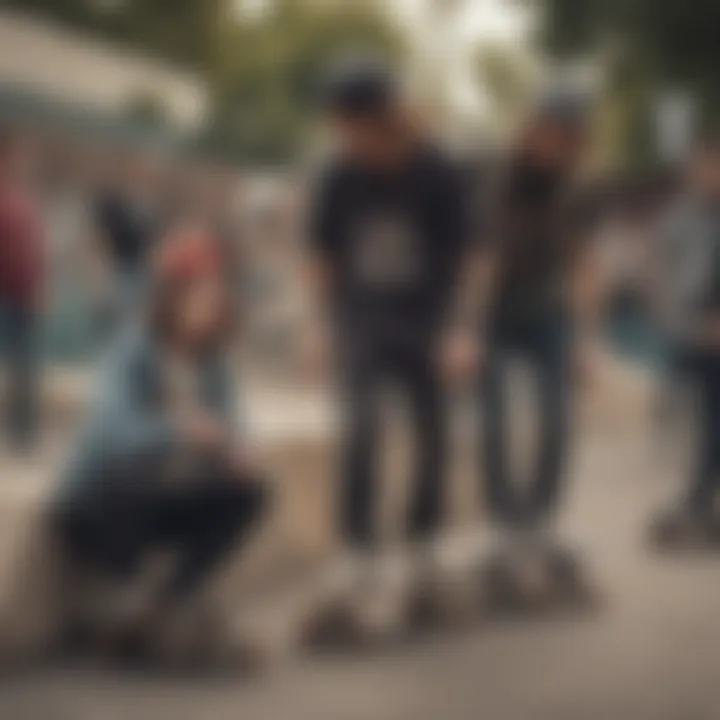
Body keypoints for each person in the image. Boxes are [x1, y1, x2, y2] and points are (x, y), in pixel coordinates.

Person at [306, 56, 469, 632]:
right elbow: (322, 256)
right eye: (340, 129)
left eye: (355, 128)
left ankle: (423, 545)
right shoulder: (336, 175)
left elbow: (462, 258)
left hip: (427, 319)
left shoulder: (439, 170)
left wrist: (459, 329)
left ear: (385, 120)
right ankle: (358, 551)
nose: (347, 140)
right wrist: (321, 326)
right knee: (362, 425)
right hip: (363, 317)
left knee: (432, 431)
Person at [52, 231, 269, 663]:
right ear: (173, 297)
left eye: (217, 294)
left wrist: (235, 451)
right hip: (98, 506)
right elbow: (108, 436)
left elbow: (233, 427)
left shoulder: (213, 364)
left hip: (163, 496)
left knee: (250, 489)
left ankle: (172, 600)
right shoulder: (134, 351)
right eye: (201, 293)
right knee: (138, 470)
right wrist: (179, 431)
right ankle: (122, 597)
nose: (212, 304)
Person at [471, 90, 601, 559]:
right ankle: (506, 522)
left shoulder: (576, 189)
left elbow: (584, 267)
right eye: (546, 135)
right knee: (494, 422)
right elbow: (480, 260)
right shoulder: (500, 179)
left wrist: (587, 344)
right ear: (529, 131)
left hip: (548, 316)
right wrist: (467, 330)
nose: (552, 147)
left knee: (556, 419)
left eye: (564, 140)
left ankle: (539, 519)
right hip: (496, 315)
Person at [651, 134, 720, 542]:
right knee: (709, 417)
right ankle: (697, 500)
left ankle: (698, 499)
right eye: (703, 166)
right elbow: (663, 278)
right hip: (698, 333)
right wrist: (688, 324)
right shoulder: (680, 220)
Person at [0, 128, 44, 452]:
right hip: (9, 295)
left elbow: (33, 250)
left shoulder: (19, 200)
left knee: (25, 369)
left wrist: (38, 290)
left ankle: (24, 436)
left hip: (22, 298)